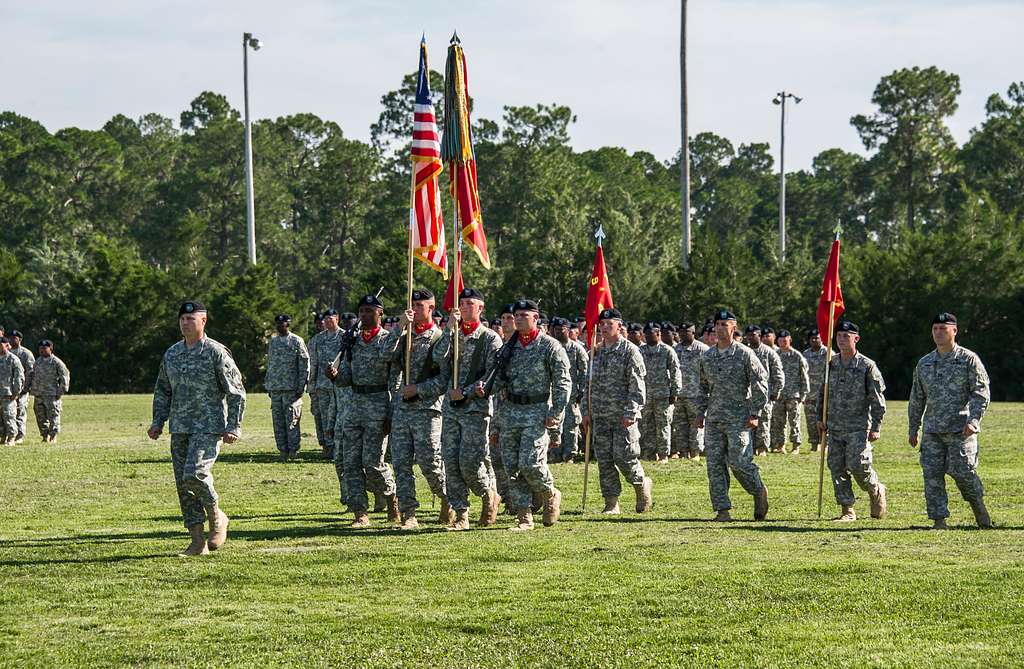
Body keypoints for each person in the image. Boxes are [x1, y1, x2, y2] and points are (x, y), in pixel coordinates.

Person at [148, 301, 246, 557]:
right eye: (182, 318)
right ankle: (197, 541)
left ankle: (217, 517)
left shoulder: (215, 352)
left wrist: (233, 425)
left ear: (204, 321)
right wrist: (158, 421)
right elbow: (163, 390)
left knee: (196, 473)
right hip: (180, 427)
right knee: (184, 485)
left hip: (208, 426)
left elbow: (236, 392)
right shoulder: (172, 354)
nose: (185, 322)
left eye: (191, 319)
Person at [492, 299, 571, 531]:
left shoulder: (549, 346)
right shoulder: (508, 348)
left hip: (537, 412)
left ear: (536, 318)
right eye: (516, 315)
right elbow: (498, 383)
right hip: (510, 412)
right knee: (512, 466)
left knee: (530, 463)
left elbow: (563, 383)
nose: (518, 319)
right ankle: (524, 516)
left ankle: (550, 492)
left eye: (524, 315)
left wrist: (556, 413)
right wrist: (482, 389)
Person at [908, 312, 992, 529]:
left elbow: (980, 392)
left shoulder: (968, 359)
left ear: (954, 331)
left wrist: (974, 420)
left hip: (961, 429)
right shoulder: (925, 363)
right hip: (933, 430)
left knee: (963, 472)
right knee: (932, 476)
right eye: (935, 329)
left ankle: (980, 510)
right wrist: (913, 427)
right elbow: (917, 398)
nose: (938, 333)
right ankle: (939, 520)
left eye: (943, 329)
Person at [326, 294, 400, 528]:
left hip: (378, 404)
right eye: (362, 311)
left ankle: (391, 496)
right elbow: (347, 377)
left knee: (373, 462)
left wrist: (391, 413)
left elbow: (395, 381)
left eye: (370, 310)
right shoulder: (353, 341)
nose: (365, 315)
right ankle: (360, 513)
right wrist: (336, 377)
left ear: (380, 313)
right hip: (354, 405)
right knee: (350, 462)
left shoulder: (388, 340)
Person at [382, 289, 450, 529]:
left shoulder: (439, 338)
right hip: (402, 409)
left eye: (419, 306)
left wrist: (418, 389)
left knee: (429, 462)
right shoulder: (405, 334)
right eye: (412, 305)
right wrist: (399, 328)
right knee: (400, 463)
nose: (414, 309)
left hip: (427, 409)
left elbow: (444, 380)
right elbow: (385, 354)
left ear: (431, 309)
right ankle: (409, 512)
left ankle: (447, 498)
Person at [437, 288, 504, 530]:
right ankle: (461, 513)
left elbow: (491, 378)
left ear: (480, 308)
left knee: (470, 462)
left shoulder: (489, 339)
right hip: (452, 409)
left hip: (475, 409)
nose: (464, 307)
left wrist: (464, 392)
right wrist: (448, 330)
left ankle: (488, 494)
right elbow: (437, 358)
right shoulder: (453, 335)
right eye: (462, 303)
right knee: (450, 462)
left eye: (469, 303)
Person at [695, 310, 770, 522]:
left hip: (739, 418)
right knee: (715, 465)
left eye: (724, 324)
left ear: (733, 327)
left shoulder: (744, 353)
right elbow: (701, 387)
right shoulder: (707, 356)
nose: (719, 328)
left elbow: (760, 382)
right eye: (717, 324)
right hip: (715, 418)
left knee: (739, 463)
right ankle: (722, 510)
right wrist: (700, 412)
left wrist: (755, 412)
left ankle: (758, 491)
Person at [815, 321, 888, 522]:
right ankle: (847, 509)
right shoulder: (831, 364)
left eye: (846, 336)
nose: (841, 339)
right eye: (838, 336)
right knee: (836, 466)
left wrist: (876, 427)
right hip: (835, 426)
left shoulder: (866, 366)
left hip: (858, 427)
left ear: (856, 338)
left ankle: (875, 488)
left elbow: (877, 399)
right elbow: (823, 393)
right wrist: (819, 417)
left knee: (858, 465)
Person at [583, 309, 653, 514]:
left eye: (609, 324)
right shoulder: (594, 353)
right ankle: (611, 502)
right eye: (602, 324)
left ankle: (641, 484)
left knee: (625, 456)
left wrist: (631, 412)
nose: (604, 328)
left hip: (623, 416)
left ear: (619, 327)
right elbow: (587, 387)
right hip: (600, 415)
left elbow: (637, 385)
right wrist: (586, 412)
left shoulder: (630, 351)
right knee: (604, 460)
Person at [265, 315, 309, 461]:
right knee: (278, 422)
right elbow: (270, 365)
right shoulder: (274, 342)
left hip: (292, 389)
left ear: (288, 324)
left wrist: (301, 386)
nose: (279, 326)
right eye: (277, 323)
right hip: (276, 389)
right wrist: (269, 385)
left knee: (292, 421)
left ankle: (293, 451)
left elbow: (304, 365)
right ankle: (282, 451)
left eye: (282, 323)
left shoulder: (296, 341)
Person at [639, 322, 680, 462]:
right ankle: (649, 454)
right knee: (646, 425)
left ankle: (663, 454)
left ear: (658, 334)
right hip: (645, 395)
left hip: (663, 395)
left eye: (652, 334)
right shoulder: (640, 350)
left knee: (663, 425)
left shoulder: (667, 350)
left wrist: (674, 392)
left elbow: (675, 371)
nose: (649, 336)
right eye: (647, 334)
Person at [548, 317, 588, 464]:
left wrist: (581, 391)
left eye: (561, 330)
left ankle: (569, 455)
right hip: (553, 394)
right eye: (556, 330)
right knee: (554, 423)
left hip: (571, 395)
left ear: (568, 330)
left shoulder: (577, 349)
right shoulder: (550, 347)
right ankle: (554, 454)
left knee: (571, 425)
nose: (558, 332)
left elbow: (584, 371)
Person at [745, 325, 784, 456]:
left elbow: (778, 374)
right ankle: (749, 447)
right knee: (747, 423)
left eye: (753, 335)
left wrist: (776, 392)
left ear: (759, 336)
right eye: (748, 335)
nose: (751, 338)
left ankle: (762, 448)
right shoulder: (744, 351)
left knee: (763, 422)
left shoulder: (769, 352)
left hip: (764, 394)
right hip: (747, 395)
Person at [309, 309, 343, 459]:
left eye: (331, 318)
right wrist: (312, 384)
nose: (328, 321)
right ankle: (328, 447)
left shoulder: (345, 336)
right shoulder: (317, 339)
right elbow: (313, 363)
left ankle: (339, 446)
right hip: (322, 386)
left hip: (340, 385)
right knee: (324, 416)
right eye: (326, 319)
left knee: (339, 415)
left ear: (337, 319)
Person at [673, 322, 709, 459]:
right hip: (680, 395)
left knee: (696, 425)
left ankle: (695, 452)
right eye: (680, 332)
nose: (682, 334)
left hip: (696, 394)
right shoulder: (675, 349)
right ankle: (683, 452)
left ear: (693, 333)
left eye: (686, 332)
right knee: (680, 425)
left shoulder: (702, 349)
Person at [771, 330, 809, 454]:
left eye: (785, 340)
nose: (783, 342)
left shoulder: (797, 356)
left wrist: (804, 394)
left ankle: (795, 446)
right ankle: (780, 445)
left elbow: (804, 375)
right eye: (781, 340)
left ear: (790, 340)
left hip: (794, 395)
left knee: (794, 421)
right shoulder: (775, 354)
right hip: (778, 395)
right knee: (778, 422)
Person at [29, 339, 70, 443]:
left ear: (50, 349)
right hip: (39, 394)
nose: (42, 350)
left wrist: (61, 391)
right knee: (40, 417)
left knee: (53, 416)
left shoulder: (56, 362)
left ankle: (53, 436)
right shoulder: (37, 362)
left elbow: (64, 375)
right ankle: (45, 435)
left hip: (52, 394)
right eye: (40, 348)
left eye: (44, 348)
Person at [802, 328, 832, 452]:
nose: (814, 340)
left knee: (825, 420)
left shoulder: (828, 353)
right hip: (809, 394)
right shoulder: (805, 354)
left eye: (817, 338)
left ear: (822, 339)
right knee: (810, 421)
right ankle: (814, 444)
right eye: (812, 338)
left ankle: (825, 443)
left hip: (824, 394)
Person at [8, 331, 34, 444]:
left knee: (20, 411)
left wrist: (26, 387)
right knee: (9, 412)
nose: (13, 340)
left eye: (15, 338)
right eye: (11, 338)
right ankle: (9, 435)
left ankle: (20, 436)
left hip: (22, 389)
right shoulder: (5, 352)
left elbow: (31, 372)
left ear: (20, 340)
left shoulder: (26, 353)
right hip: (8, 389)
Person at [0, 337, 26, 445]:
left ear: (6, 345)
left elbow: (19, 378)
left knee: (9, 416)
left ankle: (11, 438)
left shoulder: (13, 359)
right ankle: (2, 437)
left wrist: (16, 392)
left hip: (8, 394)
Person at [307, 312, 326, 453]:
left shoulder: (341, 337)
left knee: (330, 417)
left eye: (322, 322)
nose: (320, 325)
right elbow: (311, 366)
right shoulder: (313, 341)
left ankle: (331, 446)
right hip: (316, 386)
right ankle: (323, 444)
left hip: (332, 386)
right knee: (318, 415)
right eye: (318, 323)